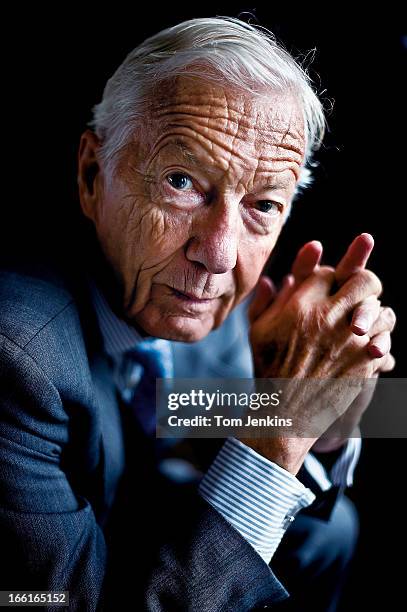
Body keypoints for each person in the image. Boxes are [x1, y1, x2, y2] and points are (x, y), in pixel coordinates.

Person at [0, 16, 396, 612]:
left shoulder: (205, 309)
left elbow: (189, 409)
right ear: (91, 175)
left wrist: (323, 406)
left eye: (263, 204)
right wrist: (284, 419)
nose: (218, 255)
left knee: (331, 533)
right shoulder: (17, 351)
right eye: (182, 182)